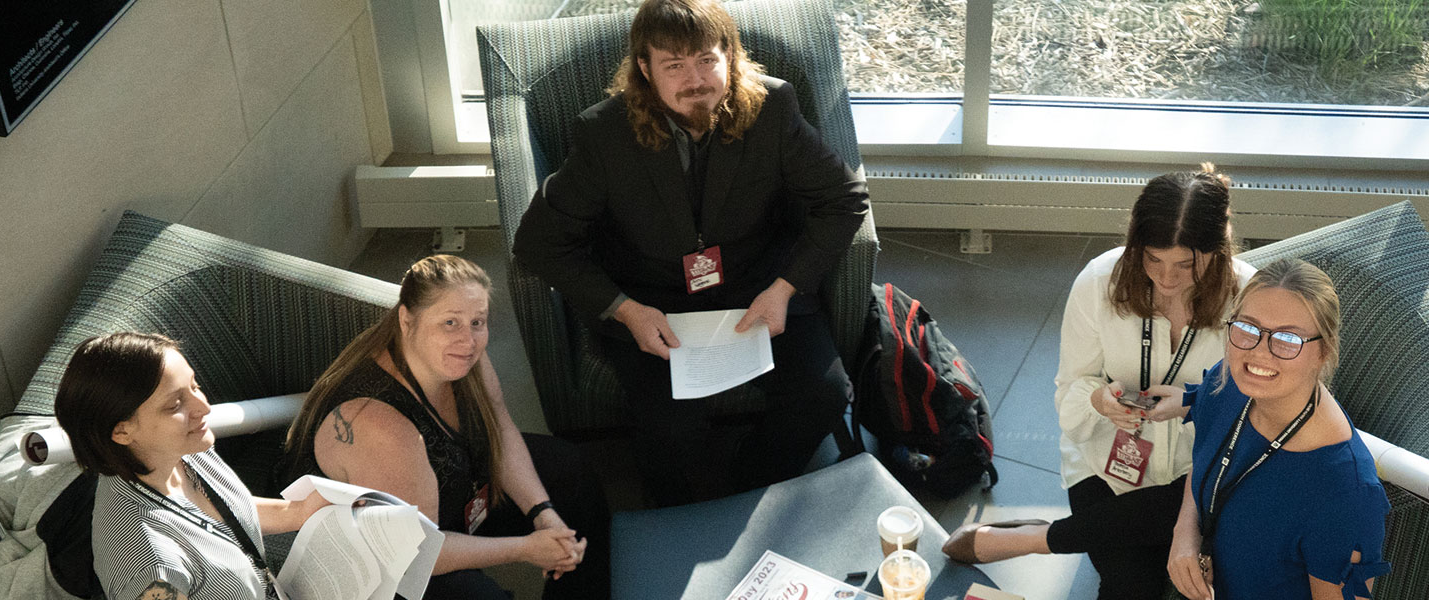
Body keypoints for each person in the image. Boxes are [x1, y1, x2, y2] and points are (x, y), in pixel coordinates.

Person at [511, 0, 868, 506]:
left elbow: (844, 199)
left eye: (706, 60)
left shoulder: (772, 107)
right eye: (674, 65)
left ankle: (748, 483)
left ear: (730, 56)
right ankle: (676, 517)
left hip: (757, 285)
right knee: (668, 433)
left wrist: (785, 288)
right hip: (651, 300)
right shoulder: (604, 132)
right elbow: (538, 243)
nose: (694, 80)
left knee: (823, 395)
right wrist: (624, 310)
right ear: (645, 69)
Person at [938, 166, 1255, 599]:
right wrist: (1098, 401)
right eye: (1153, 259)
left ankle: (1038, 538)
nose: (1166, 279)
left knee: (1195, 513)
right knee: (1131, 587)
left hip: (1197, 473)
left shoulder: (1250, 298)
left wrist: (1193, 404)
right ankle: (1074, 532)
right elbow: (1069, 391)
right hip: (1106, 466)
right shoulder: (1099, 282)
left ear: (1217, 252)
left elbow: (1259, 412)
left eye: (1186, 265)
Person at [281, 255, 610, 600]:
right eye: (449, 322)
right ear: (407, 320)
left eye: (477, 322)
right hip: (383, 558)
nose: (468, 341)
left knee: (571, 474)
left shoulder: (463, 354)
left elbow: (499, 428)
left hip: (454, 495)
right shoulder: (380, 425)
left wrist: (543, 513)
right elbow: (417, 553)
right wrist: (525, 548)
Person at [1166, 259, 1391, 600]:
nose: (1259, 353)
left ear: (1324, 351)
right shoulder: (1226, 385)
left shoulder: (1346, 493)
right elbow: (1203, 463)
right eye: (1248, 328)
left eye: (1288, 338)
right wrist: (1185, 535)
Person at [54, 332, 328, 600]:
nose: (203, 407)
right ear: (122, 432)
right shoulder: (151, 567)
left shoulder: (179, 450)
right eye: (175, 405)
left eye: (195, 386)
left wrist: (299, 512)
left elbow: (220, 516)